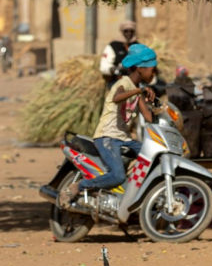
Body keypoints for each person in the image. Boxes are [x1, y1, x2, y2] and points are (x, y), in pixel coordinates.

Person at [60, 44, 157, 205]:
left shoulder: (136, 89)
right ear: (140, 69)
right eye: (152, 69)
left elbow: (148, 117)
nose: (154, 73)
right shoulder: (123, 84)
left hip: (124, 138)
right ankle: (80, 186)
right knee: (117, 176)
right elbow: (117, 98)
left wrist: (160, 110)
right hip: (107, 137)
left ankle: (133, 194)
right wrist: (138, 92)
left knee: (152, 156)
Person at [99, 21, 138, 87]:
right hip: (117, 80)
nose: (129, 33)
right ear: (122, 32)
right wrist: (115, 69)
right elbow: (104, 66)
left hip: (135, 80)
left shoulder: (138, 45)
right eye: (126, 31)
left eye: (131, 31)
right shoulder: (113, 46)